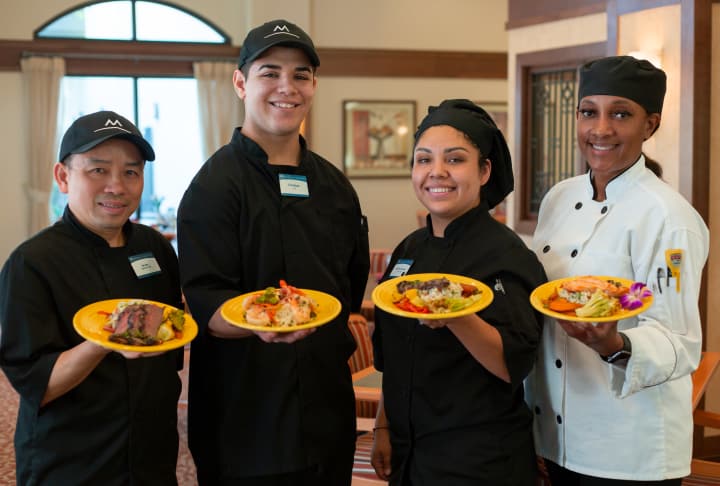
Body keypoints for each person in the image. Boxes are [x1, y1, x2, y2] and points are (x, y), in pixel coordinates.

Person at [176, 19, 370, 486]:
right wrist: (257, 322)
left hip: (326, 412)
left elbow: (349, 283)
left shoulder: (335, 186)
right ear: (241, 82)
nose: (287, 87)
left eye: (300, 74)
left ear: (314, 85)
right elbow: (204, 301)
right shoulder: (213, 187)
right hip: (247, 419)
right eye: (270, 72)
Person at [526, 56, 710, 484]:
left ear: (651, 125)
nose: (601, 129)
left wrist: (615, 343)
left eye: (621, 114)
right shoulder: (558, 197)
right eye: (589, 112)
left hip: (629, 449)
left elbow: (680, 342)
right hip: (555, 437)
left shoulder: (670, 218)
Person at [0, 110, 183, 485]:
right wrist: (106, 341)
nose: (116, 186)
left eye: (131, 172)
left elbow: (170, 342)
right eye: (98, 170)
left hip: (152, 450)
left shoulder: (154, 247)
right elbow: (39, 385)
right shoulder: (32, 262)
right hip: (74, 459)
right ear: (63, 177)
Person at [369, 99, 547, 485]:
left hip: (476, 462)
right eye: (423, 160)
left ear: (484, 170)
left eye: (454, 160)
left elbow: (511, 364)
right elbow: (395, 354)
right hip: (409, 452)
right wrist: (383, 427)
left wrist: (456, 317)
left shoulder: (506, 254)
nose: (436, 172)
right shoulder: (408, 250)